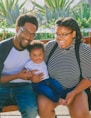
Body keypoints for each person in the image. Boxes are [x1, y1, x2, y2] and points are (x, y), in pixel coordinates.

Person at [38, 17, 91, 118]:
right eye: (57, 34)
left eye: (64, 34)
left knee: (80, 113)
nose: (59, 38)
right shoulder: (49, 47)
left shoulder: (83, 50)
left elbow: (89, 78)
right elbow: (39, 66)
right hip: (52, 89)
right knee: (43, 105)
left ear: (73, 34)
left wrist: (73, 92)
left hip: (76, 89)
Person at [0, 14, 40, 118]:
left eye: (32, 34)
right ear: (17, 29)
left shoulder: (33, 50)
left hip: (25, 87)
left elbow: (40, 71)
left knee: (31, 111)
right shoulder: (3, 48)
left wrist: (34, 77)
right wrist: (17, 75)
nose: (29, 37)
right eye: (26, 32)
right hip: (2, 87)